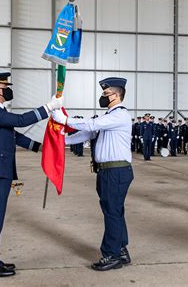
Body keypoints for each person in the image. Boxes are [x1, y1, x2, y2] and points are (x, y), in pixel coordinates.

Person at [0, 72, 63, 278]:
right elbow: (22, 120)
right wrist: (48, 108)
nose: (8, 90)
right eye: (5, 86)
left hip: (0, 171)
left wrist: (41, 148)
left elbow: (13, 135)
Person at [52, 77, 134, 272]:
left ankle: (111, 255)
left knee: (112, 213)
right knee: (115, 212)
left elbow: (90, 125)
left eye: (106, 94)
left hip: (116, 171)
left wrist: (64, 120)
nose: (103, 97)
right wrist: (62, 139)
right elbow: (86, 134)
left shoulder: (119, 115)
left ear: (116, 95)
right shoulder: (107, 117)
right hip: (108, 171)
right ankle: (121, 250)